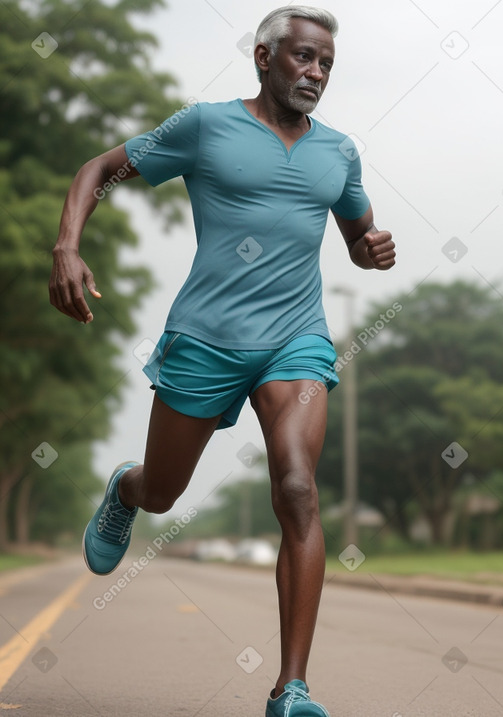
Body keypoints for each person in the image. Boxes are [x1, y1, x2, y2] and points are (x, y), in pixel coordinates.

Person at [49, 6, 395, 716]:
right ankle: (126, 491)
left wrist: (371, 251)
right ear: (264, 57)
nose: (316, 73)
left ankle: (290, 688)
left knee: (297, 487)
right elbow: (99, 169)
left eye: (326, 63)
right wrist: (67, 248)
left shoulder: (339, 152)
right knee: (165, 490)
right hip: (206, 339)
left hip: (295, 340)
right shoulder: (205, 127)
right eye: (303, 57)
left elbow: (358, 234)